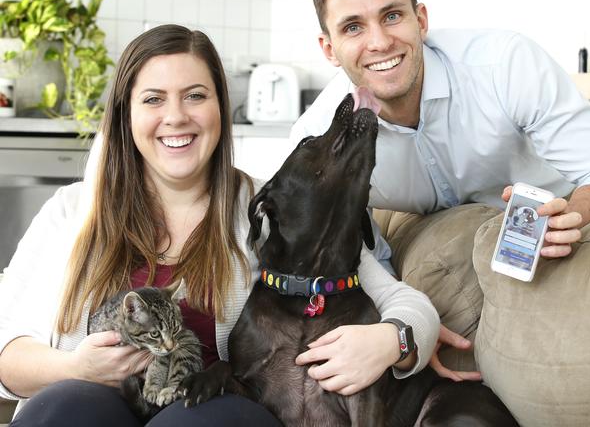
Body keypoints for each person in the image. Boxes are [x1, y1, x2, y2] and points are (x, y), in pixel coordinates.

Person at [0, 24, 438, 426]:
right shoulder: (72, 211)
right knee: (68, 404)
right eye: (153, 99)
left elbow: (404, 303)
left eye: (195, 96)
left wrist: (392, 341)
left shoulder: (271, 206)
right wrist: (75, 368)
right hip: (92, 406)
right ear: (125, 114)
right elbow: (7, 354)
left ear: (220, 108)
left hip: (211, 414)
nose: (176, 117)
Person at [290, 0, 590, 381]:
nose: (380, 42)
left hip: (562, 224)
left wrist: (573, 213)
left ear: (420, 19)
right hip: (454, 246)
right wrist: (404, 322)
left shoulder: (504, 64)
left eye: (391, 16)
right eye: (353, 27)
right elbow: (358, 251)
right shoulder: (320, 143)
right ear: (329, 48)